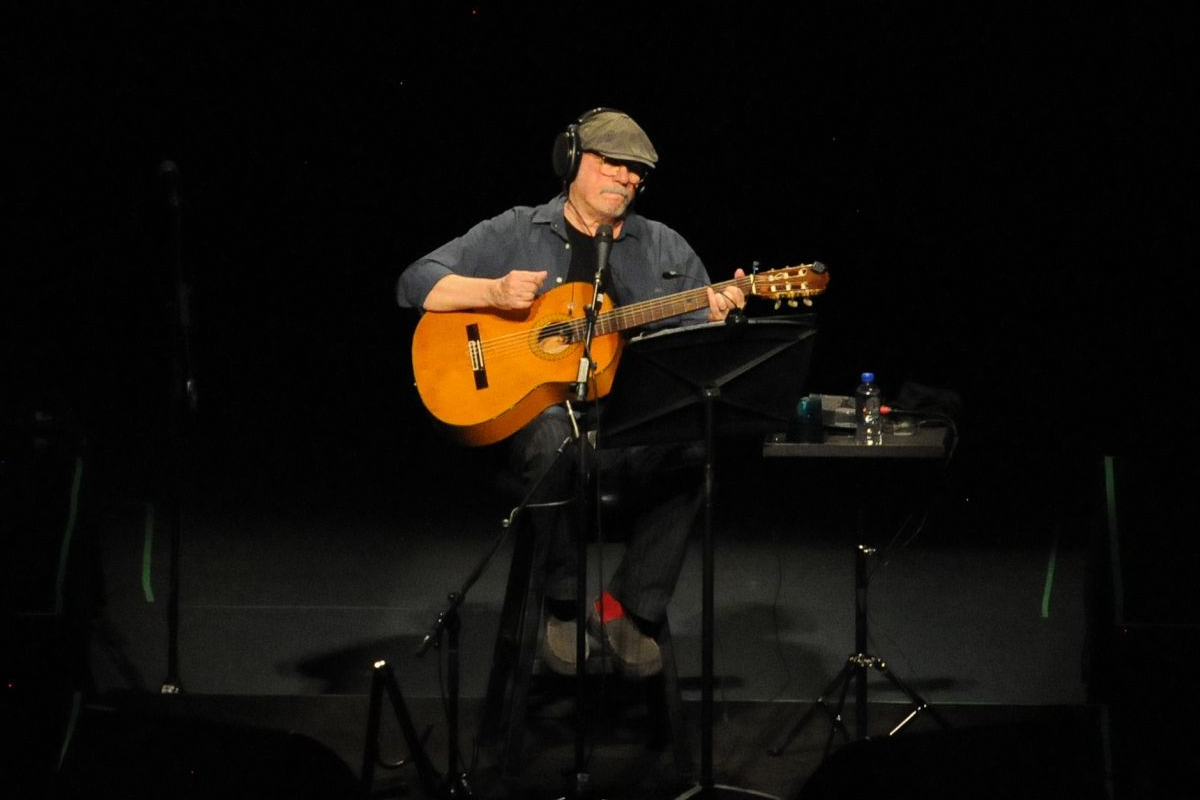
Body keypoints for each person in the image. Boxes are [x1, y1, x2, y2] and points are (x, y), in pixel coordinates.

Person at [396, 108, 745, 678]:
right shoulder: (516, 230)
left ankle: (626, 609)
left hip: (627, 426)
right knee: (553, 434)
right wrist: (494, 290)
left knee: (695, 449)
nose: (628, 179)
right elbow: (415, 282)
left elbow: (697, 359)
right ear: (573, 161)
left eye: (638, 173)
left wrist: (718, 315)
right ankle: (561, 604)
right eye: (615, 164)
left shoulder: (664, 248)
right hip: (542, 428)